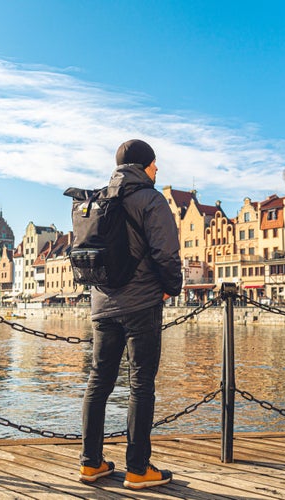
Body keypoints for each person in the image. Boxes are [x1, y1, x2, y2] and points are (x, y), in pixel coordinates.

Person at [79, 139, 182, 490]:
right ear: (143, 165)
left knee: (98, 382)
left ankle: (91, 463)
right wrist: (173, 286)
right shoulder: (151, 199)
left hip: (102, 304)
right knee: (140, 384)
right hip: (140, 303)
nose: (157, 170)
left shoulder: (98, 199)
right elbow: (166, 252)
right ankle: (138, 468)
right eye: (155, 164)